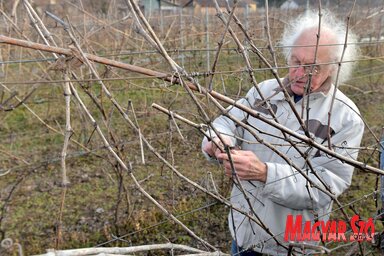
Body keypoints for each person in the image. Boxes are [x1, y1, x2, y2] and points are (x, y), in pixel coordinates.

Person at [202, 10, 364, 256]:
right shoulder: (264, 92)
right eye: (296, 61)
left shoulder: (346, 118)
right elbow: (225, 122)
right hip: (244, 230)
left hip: (295, 245)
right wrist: (218, 140)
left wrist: (266, 173)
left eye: (312, 67)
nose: (299, 74)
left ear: (333, 68)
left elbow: (326, 185)